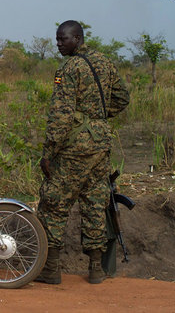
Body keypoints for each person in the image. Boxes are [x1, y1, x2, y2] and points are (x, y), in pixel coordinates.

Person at [36, 20, 129, 285]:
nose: (58, 44)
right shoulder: (104, 62)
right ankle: (96, 269)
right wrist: (97, 118)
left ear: (77, 38)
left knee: (54, 202)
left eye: (63, 39)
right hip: (101, 144)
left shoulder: (68, 68)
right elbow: (122, 98)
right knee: (94, 202)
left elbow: (61, 115)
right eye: (57, 39)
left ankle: (51, 269)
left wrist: (49, 153)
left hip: (75, 148)